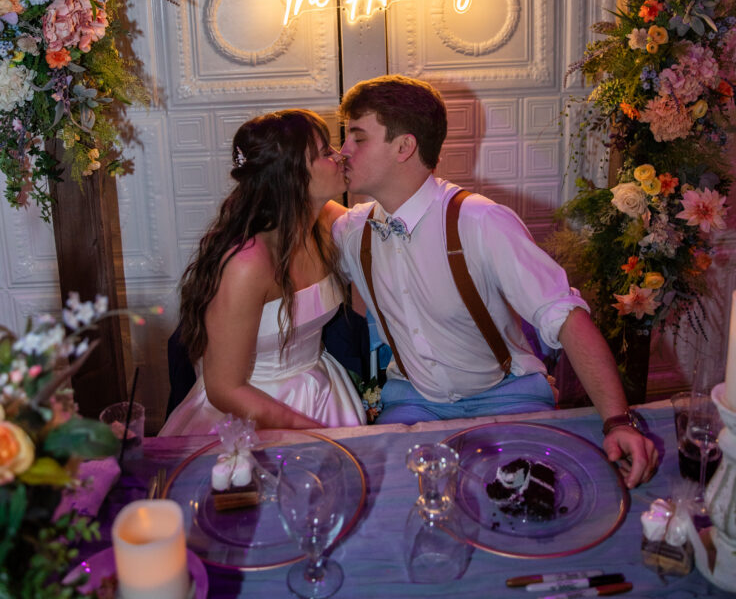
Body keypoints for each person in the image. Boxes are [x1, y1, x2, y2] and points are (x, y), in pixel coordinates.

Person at [334, 75, 659, 488]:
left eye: (357, 138)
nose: (342, 151)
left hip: (506, 395)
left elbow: (567, 318)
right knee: (389, 501)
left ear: (404, 146)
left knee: (539, 499)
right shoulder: (350, 231)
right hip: (414, 402)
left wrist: (618, 420)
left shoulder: (481, 221)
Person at [159, 109, 365, 435]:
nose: (339, 157)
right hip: (249, 411)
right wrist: (313, 435)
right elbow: (225, 389)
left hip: (322, 391)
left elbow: (379, 233)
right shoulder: (247, 263)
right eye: (326, 152)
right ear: (293, 176)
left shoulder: (325, 221)